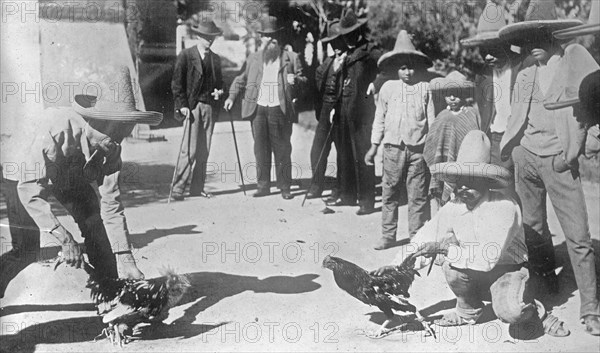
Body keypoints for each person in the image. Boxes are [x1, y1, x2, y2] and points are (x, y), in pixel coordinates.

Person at [373, 131, 567, 337]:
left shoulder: (504, 207)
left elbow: (487, 259)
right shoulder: (455, 205)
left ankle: (536, 309)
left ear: (487, 182)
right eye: (460, 180)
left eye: (472, 181)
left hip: (506, 270)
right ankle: (468, 310)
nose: (464, 187)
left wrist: (444, 248)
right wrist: (397, 266)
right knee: (448, 260)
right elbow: (426, 235)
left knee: (512, 313)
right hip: (472, 272)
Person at [0, 67, 158, 298]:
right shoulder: (55, 127)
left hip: (66, 168)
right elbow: (30, 191)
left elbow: (112, 205)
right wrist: (64, 238)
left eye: (129, 125)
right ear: (101, 120)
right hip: (21, 169)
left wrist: (127, 260)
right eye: (120, 125)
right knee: (26, 249)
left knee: (95, 224)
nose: (124, 134)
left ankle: (110, 294)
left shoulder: (110, 146)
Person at [498, 0, 600, 335]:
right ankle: (545, 292)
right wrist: (514, 153)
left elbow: (591, 115)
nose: (534, 45)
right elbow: (514, 116)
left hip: (558, 160)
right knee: (534, 230)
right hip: (525, 157)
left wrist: (571, 153)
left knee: (578, 235)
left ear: (553, 35)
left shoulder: (574, 66)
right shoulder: (524, 72)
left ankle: (590, 308)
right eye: (527, 38)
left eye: (540, 36)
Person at [365, 30, 434, 250]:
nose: (407, 72)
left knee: (417, 195)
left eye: (411, 67)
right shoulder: (388, 88)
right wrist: (374, 147)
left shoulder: (425, 89)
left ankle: (416, 235)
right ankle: (388, 234)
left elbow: (431, 122)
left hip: (418, 149)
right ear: (396, 68)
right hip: (393, 148)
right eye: (403, 68)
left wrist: (432, 150)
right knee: (390, 192)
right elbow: (379, 119)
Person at [224, 16, 307, 200]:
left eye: (274, 36)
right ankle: (263, 185)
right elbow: (241, 79)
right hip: (259, 109)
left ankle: (285, 186)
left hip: (280, 108)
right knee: (260, 149)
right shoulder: (254, 58)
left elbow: (304, 82)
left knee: (283, 149)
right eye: (266, 36)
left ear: (279, 37)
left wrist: (296, 81)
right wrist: (231, 96)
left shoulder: (291, 58)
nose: (270, 40)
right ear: (261, 38)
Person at [461, 0, 531, 170]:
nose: (488, 56)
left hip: (522, 139)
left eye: (493, 49)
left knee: (521, 189)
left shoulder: (524, 66)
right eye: (483, 50)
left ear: (506, 43)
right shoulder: (483, 75)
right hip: (495, 138)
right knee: (498, 188)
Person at [327, 9, 383, 215]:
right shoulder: (345, 52)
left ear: (358, 32)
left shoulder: (370, 50)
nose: (348, 38)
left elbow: (387, 68)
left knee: (363, 156)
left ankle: (366, 201)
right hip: (343, 110)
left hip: (362, 112)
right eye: (345, 34)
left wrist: (375, 83)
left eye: (351, 33)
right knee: (344, 155)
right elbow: (340, 81)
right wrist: (334, 107)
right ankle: (348, 195)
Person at [171, 19, 224, 201]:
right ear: (198, 37)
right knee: (189, 149)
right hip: (192, 107)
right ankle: (178, 188)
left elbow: (220, 84)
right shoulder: (186, 55)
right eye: (207, 37)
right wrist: (183, 105)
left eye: (212, 38)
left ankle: (197, 188)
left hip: (209, 107)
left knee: (204, 149)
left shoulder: (215, 59)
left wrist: (219, 92)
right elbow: (177, 84)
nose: (210, 41)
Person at [424, 71, 479, 207]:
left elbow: (476, 140)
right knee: (444, 201)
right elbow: (432, 143)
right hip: (444, 166)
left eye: (457, 94)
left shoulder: (471, 113)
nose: (453, 98)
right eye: (449, 94)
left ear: (464, 95)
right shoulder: (442, 116)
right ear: (444, 95)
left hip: (465, 167)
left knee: (464, 198)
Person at [306, 20, 346, 200]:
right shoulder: (328, 63)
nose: (336, 47)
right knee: (317, 150)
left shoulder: (351, 62)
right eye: (333, 43)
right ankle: (316, 186)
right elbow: (316, 80)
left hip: (342, 111)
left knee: (342, 152)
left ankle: (339, 189)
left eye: (340, 42)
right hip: (325, 110)